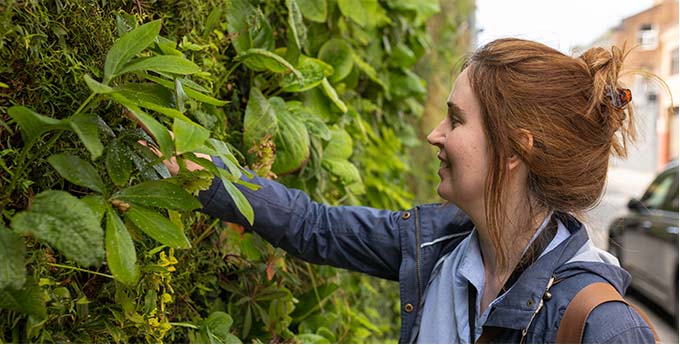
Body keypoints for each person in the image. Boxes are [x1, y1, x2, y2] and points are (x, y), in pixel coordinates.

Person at [160, 38, 657, 343]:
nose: (434, 134)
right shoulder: (441, 244)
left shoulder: (604, 328)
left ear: (515, 150)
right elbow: (312, 226)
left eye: (456, 119)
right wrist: (198, 170)